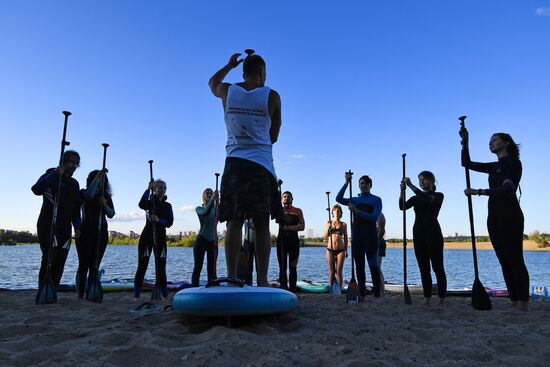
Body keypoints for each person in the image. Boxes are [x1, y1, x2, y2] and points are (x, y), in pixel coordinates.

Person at [208, 50, 282, 286]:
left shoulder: (228, 91)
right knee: (262, 224)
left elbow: (212, 82)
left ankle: (231, 278)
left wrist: (229, 65)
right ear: (261, 72)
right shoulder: (272, 96)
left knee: (234, 222)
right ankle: (261, 280)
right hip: (261, 164)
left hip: (235, 163)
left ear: (243, 71)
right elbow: (274, 136)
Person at [460, 127, 529, 311]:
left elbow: (507, 189)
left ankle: (523, 302)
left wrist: (479, 192)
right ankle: (514, 301)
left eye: (495, 140)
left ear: (506, 143)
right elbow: (466, 163)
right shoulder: (493, 166)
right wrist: (465, 142)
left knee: (515, 258)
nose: (491, 142)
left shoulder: (513, 163)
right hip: (493, 215)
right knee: (503, 259)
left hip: (510, 214)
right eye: (490, 140)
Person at [31, 150, 81, 289]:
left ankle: (53, 289)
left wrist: (77, 226)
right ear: (63, 161)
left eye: (76, 163)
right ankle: (43, 288)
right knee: (49, 258)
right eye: (71, 161)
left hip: (65, 227)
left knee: (61, 259)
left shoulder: (74, 184)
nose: (73, 166)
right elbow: (36, 189)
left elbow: (76, 207)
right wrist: (55, 174)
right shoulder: (50, 174)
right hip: (48, 224)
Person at [400, 172, 447, 306]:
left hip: (433, 234)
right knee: (423, 268)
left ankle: (442, 298)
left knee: (438, 267)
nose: (422, 182)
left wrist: (410, 185)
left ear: (432, 181)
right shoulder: (416, 198)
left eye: (424, 180)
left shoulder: (438, 195)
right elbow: (401, 207)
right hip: (418, 234)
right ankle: (427, 297)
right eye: (420, 180)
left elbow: (428, 199)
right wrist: (402, 191)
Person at [336, 173, 382, 299]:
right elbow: (338, 199)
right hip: (357, 236)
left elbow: (373, 218)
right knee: (359, 267)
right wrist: (346, 183)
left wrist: (356, 211)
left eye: (366, 183)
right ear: (358, 185)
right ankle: (361, 294)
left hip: (370, 236)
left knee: (373, 266)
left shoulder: (376, 199)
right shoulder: (354, 200)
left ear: (370, 185)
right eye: (361, 183)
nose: (364, 185)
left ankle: (377, 295)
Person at [75, 169, 115, 299]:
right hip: (85, 232)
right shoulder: (83, 193)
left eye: (103, 179)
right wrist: (97, 178)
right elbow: (88, 196)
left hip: (101, 233)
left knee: (95, 264)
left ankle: (91, 292)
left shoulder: (106, 197)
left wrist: (104, 204)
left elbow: (111, 214)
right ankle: (80, 294)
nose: (101, 182)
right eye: (98, 179)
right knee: (84, 264)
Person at [134, 179, 173, 300]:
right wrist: (147, 189)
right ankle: (137, 295)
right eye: (159, 187)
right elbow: (141, 204)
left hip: (161, 238)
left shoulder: (168, 205)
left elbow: (170, 222)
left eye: (164, 188)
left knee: (161, 267)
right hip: (147, 237)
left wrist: (159, 220)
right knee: (142, 265)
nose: (162, 190)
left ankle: (164, 295)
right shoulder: (149, 202)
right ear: (155, 189)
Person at [277, 191, 305, 292]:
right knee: (282, 267)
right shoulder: (279, 210)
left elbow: (302, 226)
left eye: (289, 196)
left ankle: (292, 290)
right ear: (281, 199)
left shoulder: (298, 211)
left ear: (292, 199)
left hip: (294, 242)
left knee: (293, 267)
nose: (286, 198)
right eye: (284, 196)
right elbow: (273, 201)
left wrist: (288, 228)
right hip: (281, 242)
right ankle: (283, 289)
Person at [191, 188, 219, 287]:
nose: (209, 195)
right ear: (203, 196)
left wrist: (218, 203)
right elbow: (205, 213)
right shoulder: (199, 208)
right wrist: (212, 200)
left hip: (213, 241)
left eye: (211, 193)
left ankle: (212, 286)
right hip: (201, 240)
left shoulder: (216, 210)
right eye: (207, 193)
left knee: (212, 267)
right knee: (198, 266)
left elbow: (223, 217)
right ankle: (194, 287)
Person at [323, 204, 348, 290]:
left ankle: (339, 290)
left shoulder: (344, 224)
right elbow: (325, 236)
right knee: (331, 271)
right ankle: (332, 290)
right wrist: (328, 229)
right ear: (332, 212)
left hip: (341, 250)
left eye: (338, 211)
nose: (336, 212)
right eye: (335, 211)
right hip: (330, 249)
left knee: (339, 272)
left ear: (341, 213)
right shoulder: (328, 223)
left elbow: (345, 238)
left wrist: (346, 251)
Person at [243, 219, 256, 286]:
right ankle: (248, 284)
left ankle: (261, 283)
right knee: (248, 266)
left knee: (258, 266)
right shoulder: (247, 214)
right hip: (247, 241)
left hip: (258, 242)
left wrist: (251, 226)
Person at [376, 212, 386, 295]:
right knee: (376, 268)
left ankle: (382, 291)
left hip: (379, 243)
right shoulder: (370, 213)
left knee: (377, 267)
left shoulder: (379, 214)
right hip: (373, 243)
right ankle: (380, 290)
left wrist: (377, 242)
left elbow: (382, 230)